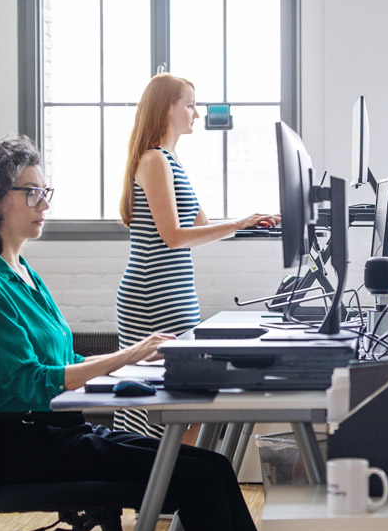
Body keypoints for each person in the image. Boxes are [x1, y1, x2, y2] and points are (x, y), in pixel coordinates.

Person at [0, 136, 264, 531]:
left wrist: (139, 364)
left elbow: (65, 357)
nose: (44, 203)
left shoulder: (21, 271)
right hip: (33, 450)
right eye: (32, 192)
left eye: (45, 191)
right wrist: (127, 356)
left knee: (212, 466)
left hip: (63, 434)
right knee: (197, 479)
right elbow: (31, 383)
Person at [116, 73, 277, 438]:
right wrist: (238, 224)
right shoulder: (154, 160)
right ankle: (154, 470)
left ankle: (175, 471)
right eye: (189, 105)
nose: (197, 114)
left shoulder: (171, 159)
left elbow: (200, 225)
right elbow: (174, 237)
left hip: (174, 291)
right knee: (164, 397)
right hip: (154, 294)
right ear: (166, 109)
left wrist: (250, 223)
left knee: (184, 395)